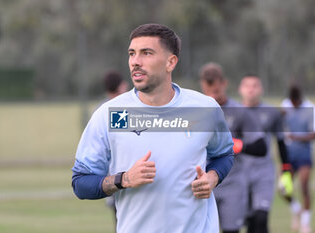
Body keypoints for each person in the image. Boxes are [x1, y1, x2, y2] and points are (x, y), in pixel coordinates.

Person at [72, 23, 235, 233]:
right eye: (132, 54)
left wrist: (212, 177)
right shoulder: (112, 114)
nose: (135, 62)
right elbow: (81, 182)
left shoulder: (204, 108)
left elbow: (224, 154)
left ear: (170, 62)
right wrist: (124, 179)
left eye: (146, 53)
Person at [199, 63, 267, 233]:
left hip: (233, 185)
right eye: (209, 90)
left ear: (224, 84)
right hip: (204, 185)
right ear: (203, 86)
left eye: (216, 90)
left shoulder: (239, 111)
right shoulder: (196, 110)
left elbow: (262, 147)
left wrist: (239, 145)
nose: (213, 95)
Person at [238, 75, 293, 233]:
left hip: (263, 172)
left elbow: (281, 142)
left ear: (261, 89)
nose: (251, 89)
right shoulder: (233, 112)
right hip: (240, 174)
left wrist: (286, 169)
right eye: (247, 85)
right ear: (240, 89)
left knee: (261, 217)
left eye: (255, 85)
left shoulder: (272, 113)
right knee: (250, 221)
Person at [281, 85, 315, 233]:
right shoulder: (285, 105)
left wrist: (296, 137)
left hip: (304, 154)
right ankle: (297, 209)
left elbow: (314, 134)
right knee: (284, 188)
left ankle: (305, 224)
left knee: (304, 186)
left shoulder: (310, 108)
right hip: (289, 155)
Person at [101, 71, 129, 229]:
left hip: (111, 182)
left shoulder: (101, 110)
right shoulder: (119, 110)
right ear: (120, 86)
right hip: (124, 180)